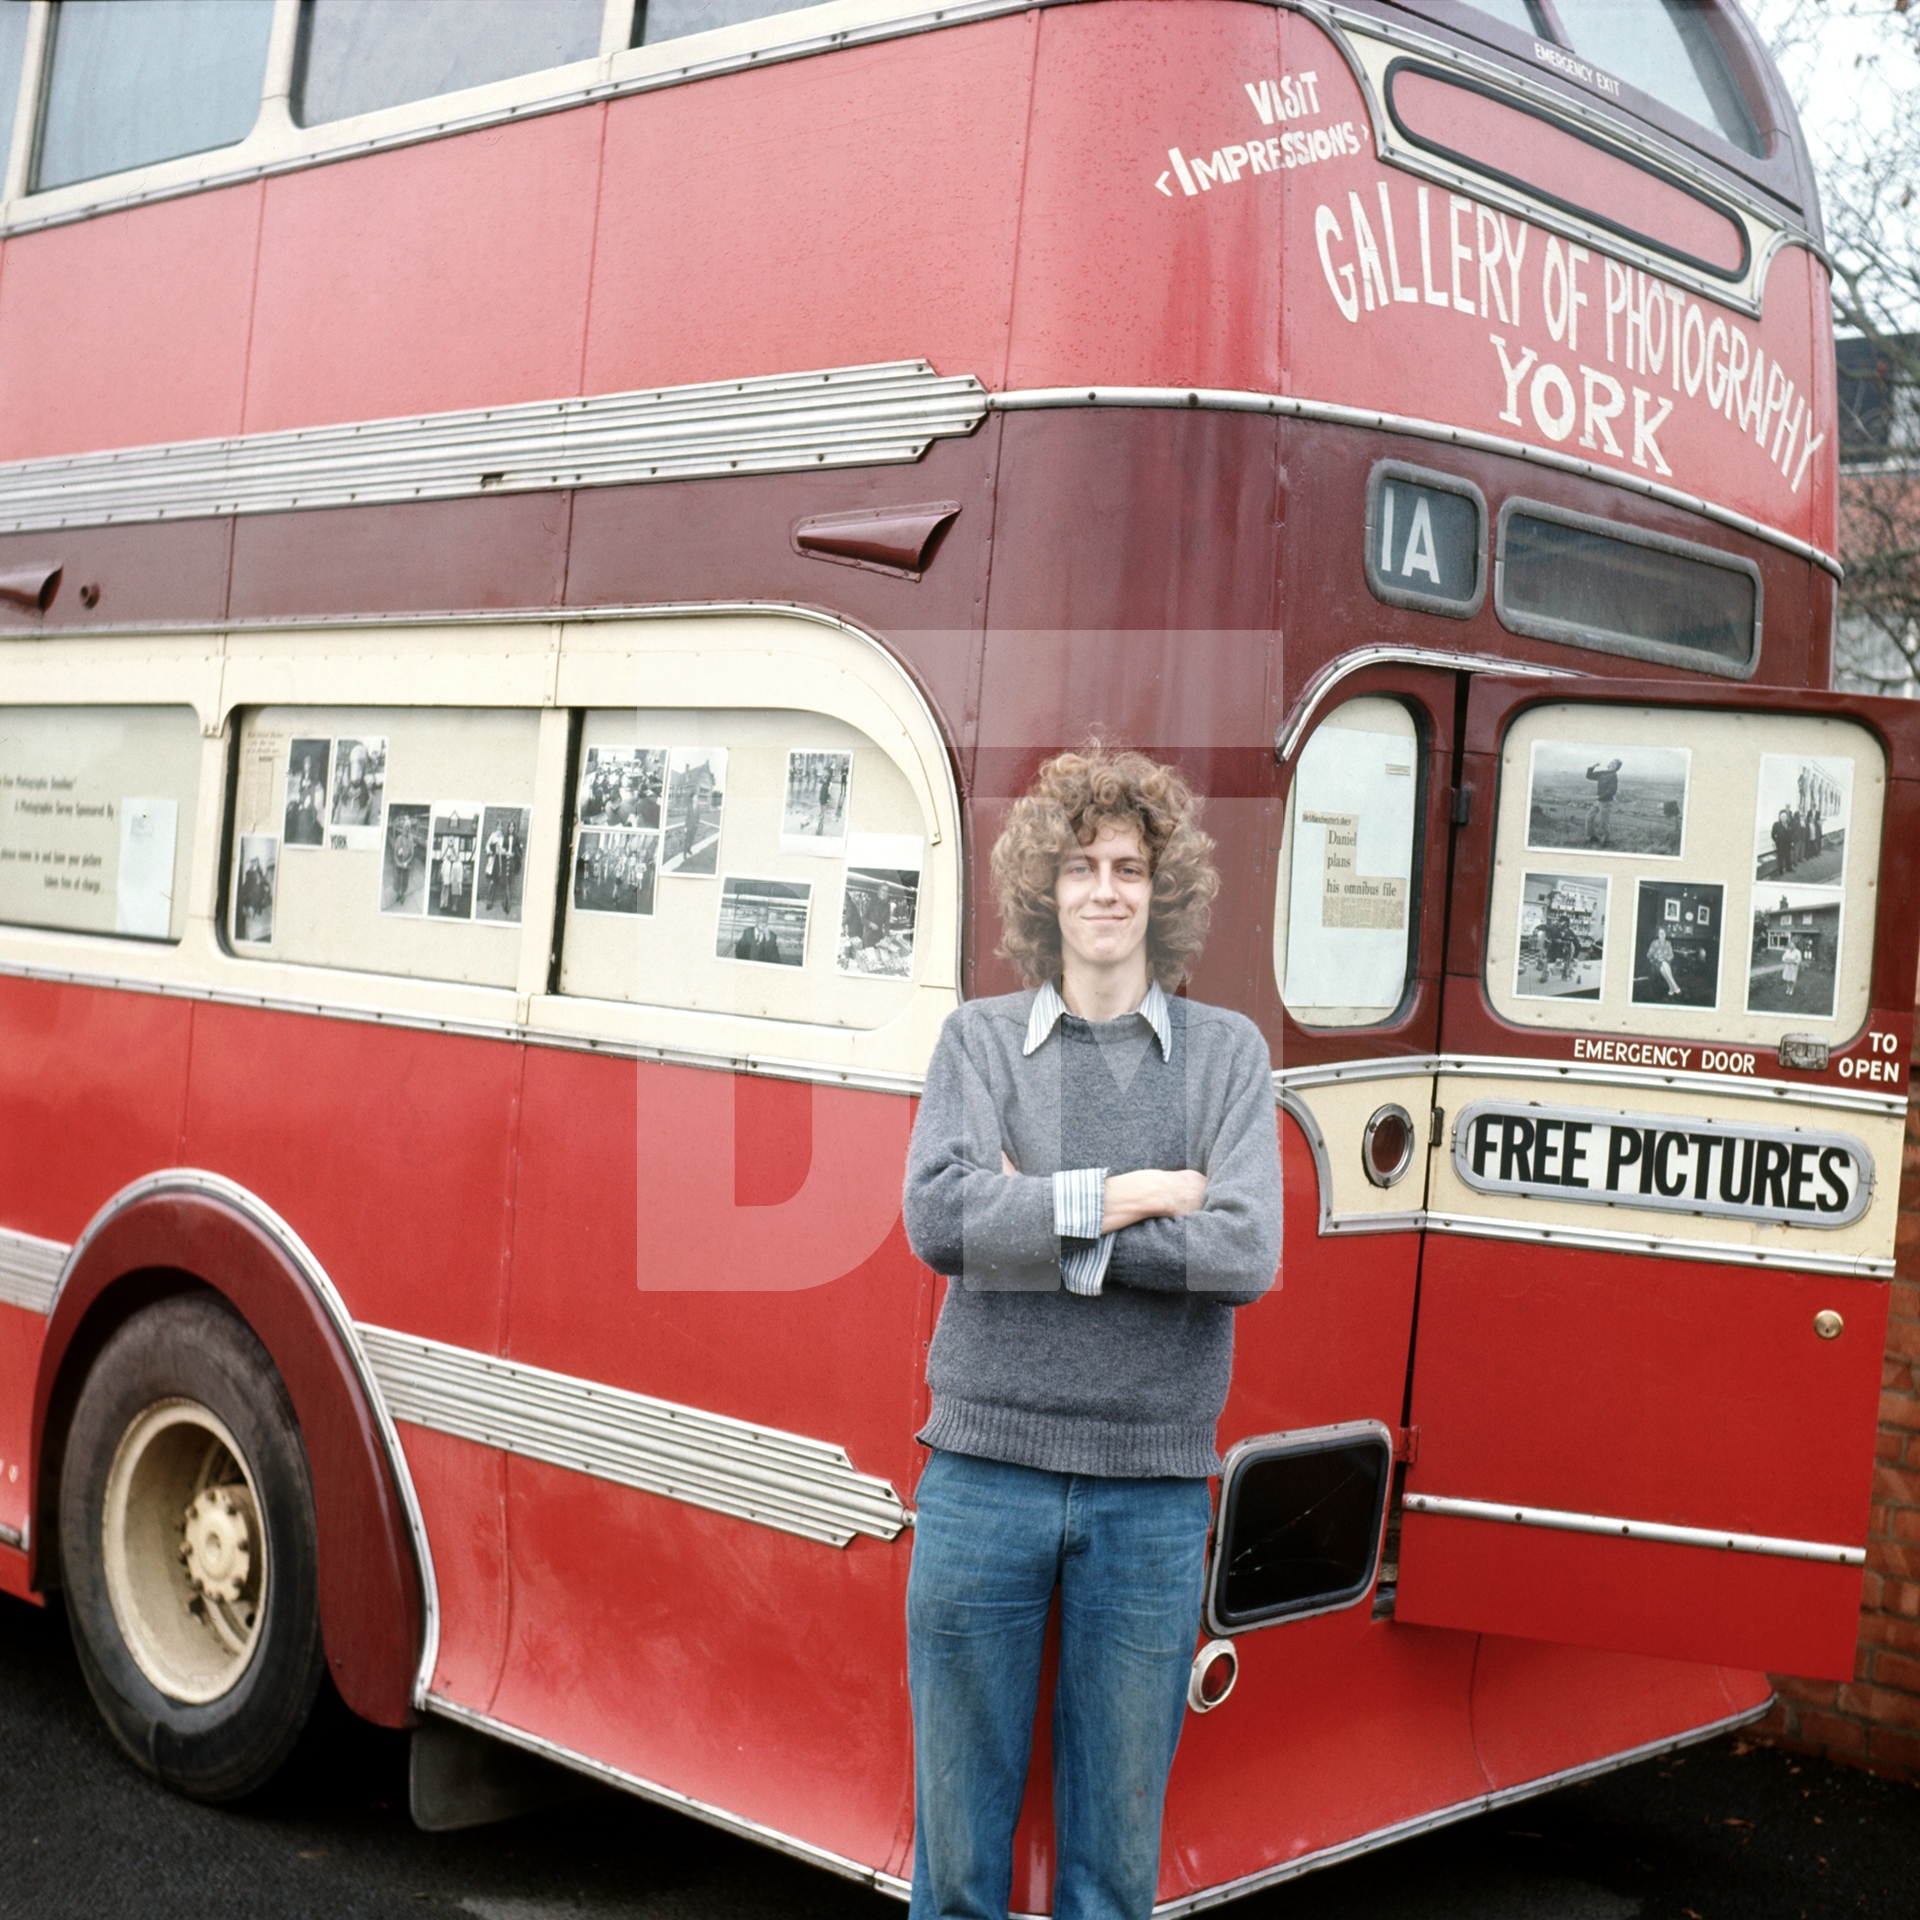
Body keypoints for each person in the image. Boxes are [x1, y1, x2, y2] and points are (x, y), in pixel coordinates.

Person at [901, 744, 1281, 1920]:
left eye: (1129, 866)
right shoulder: (977, 1042)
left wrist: (1043, 1216)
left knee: (1112, 1877)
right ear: (1044, 892)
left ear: (1160, 894)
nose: (1106, 889)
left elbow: (1244, 1253)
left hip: (1152, 1497)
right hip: (981, 1480)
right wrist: (1142, 1191)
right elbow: (937, 1218)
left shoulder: (1228, 1056)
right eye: (1081, 867)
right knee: (958, 1867)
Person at [1585, 758, 1622, 846]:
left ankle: (1605, 842)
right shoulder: (1603, 773)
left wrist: (1601, 796)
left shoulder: (1613, 776)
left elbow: (1612, 790)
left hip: (1606, 802)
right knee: (1588, 817)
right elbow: (1589, 776)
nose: (1613, 764)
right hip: (1598, 801)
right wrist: (1592, 767)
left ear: (1616, 768)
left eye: (1615, 764)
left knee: (1604, 823)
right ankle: (1591, 838)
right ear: (1609, 764)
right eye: (1612, 763)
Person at [1647, 925, 1682, 998]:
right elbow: (1648, 955)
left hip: (1665, 963)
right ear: (1658, 935)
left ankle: (1671, 989)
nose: (1662, 935)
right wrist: (1656, 957)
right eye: (1660, 933)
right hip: (1656, 963)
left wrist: (1665, 958)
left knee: (1664, 967)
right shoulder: (1654, 943)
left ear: (1665, 935)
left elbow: (1672, 955)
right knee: (1663, 964)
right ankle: (1675, 987)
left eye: (1663, 933)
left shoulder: (1668, 943)